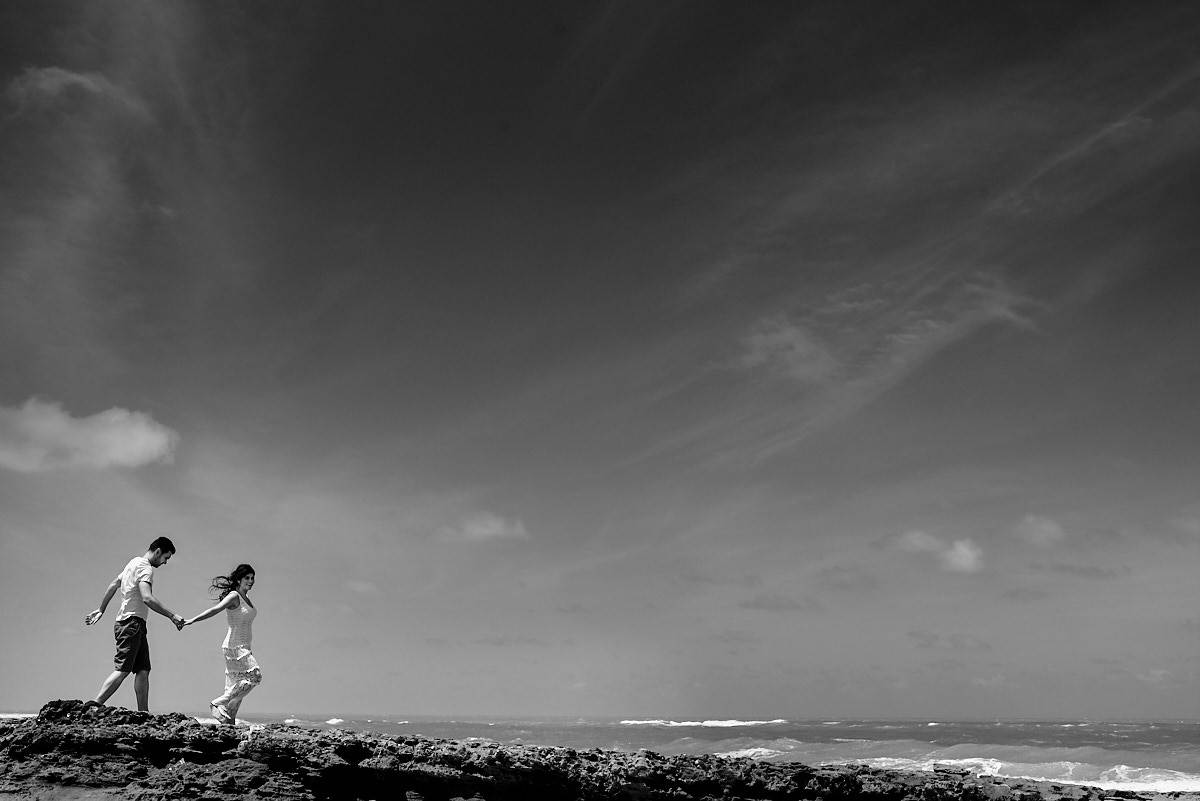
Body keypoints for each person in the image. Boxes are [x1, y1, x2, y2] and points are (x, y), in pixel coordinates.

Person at [84, 537, 185, 711]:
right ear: (158, 551)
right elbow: (147, 597)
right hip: (132, 624)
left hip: (134, 623)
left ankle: (143, 713)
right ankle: (94, 704)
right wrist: (172, 615)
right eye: (166, 558)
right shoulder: (145, 568)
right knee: (123, 669)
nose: (165, 562)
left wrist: (101, 609)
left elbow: (114, 585)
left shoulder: (133, 562)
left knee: (143, 669)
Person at [184, 564, 261, 725]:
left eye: (252, 578)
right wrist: (193, 620)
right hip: (235, 646)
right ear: (239, 579)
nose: (251, 581)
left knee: (235, 685)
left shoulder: (247, 598)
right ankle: (217, 703)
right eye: (247, 578)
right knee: (254, 676)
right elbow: (216, 609)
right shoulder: (234, 596)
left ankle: (228, 723)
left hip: (244, 646)